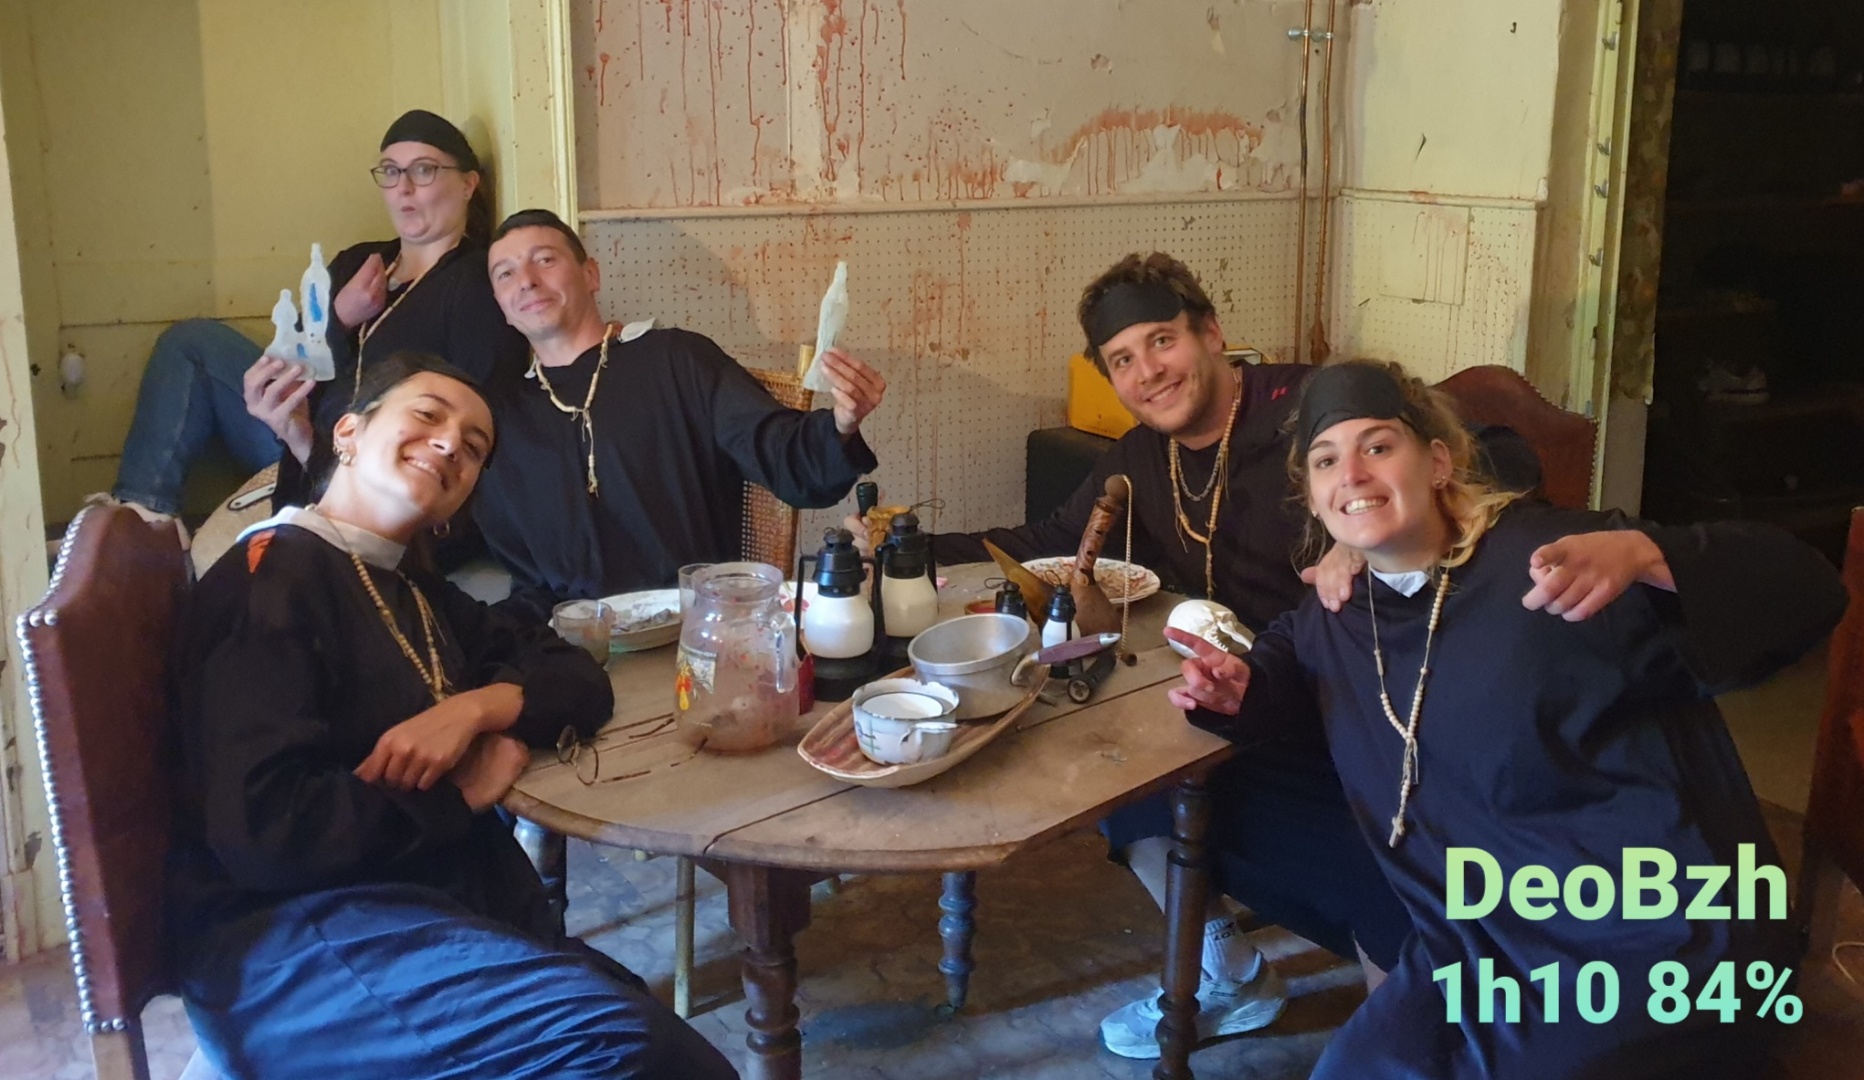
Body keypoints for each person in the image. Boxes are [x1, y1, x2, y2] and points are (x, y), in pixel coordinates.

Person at [1170, 359, 1846, 1079]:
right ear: (1312, 495)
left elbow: (1810, 590)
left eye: (1378, 446)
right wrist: (1237, 692)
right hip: (1477, 936)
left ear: (1437, 462)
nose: (1354, 474)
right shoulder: (1339, 607)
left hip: (1653, 934)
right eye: (1327, 460)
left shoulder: (1553, 563)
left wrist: (1649, 554)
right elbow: (1285, 665)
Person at [874, 252, 1422, 1060]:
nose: (1148, 372)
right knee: (1117, 780)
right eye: (1122, 360)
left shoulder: (1310, 409)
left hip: (1372, 709)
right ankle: (1230, 974)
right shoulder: (1141, 457)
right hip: (1250, 697)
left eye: (1162, 341)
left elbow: (1479, 455)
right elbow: (1045, 542)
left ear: (1212, 334)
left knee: (1386, 889)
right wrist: (904, 550)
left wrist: (1367, 534)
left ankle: (1413, 1039)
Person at [167, 352, 736, 1079]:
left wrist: (479, 707)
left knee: (659, 1036)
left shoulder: (407, 584)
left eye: (473, 447)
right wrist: (459, 792)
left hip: (418, 902)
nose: (448, 445)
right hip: (298, 944)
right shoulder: (273, 579)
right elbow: (264, 830)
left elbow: (574, 675)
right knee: (631, 1049)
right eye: (427, 416)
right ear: (348, 432)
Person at [109, 109, 526, 523]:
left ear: (468, 184)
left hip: (357, 463)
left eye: (424, 170)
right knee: (190, 344)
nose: (404, 188)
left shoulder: (476, 280)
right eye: (390, 171)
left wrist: (313, 444)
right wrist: (340, 317)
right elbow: (289, 357)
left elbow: (476, 410)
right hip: (291, 432)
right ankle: (141, 515)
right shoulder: (359, 262)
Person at [474, 208, 888, 621]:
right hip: (566, 635)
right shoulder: (498, 416)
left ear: (590, 275)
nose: (526, 280)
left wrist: (841, 423)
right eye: (505, 274)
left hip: (695, 625)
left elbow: (781, 454)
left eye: (545, 260)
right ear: (500, 306)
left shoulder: (676, 360)